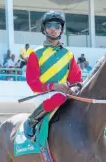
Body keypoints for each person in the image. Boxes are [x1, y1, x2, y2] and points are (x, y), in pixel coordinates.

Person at [24, 11, 82, 141]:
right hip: (43, 95)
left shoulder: (69, 54)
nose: (53, 30)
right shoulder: (35, 53)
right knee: (59, 97)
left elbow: (76, 79)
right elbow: (33, 83)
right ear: (44, 29)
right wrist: (54, 86)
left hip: (64, 94)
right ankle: (31, 120)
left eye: (57, 26)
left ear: (61, 30)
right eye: (49, 26)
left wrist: (73, 89)